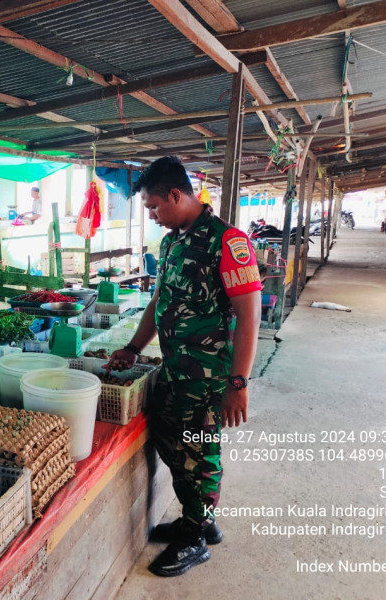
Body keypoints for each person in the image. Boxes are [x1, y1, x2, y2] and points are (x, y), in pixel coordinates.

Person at [106, 156, 261, 577]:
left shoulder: (228, 241)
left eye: (155, 207)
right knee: (170, 438)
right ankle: (199, 519)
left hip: (210, 378)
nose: (153, 217)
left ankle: (196, 537)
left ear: (177, 195)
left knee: (200, 450)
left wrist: (239, 382)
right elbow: (160, 303)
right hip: (175, 369)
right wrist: (134, 347)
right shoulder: (172, 242)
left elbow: (250, 315)